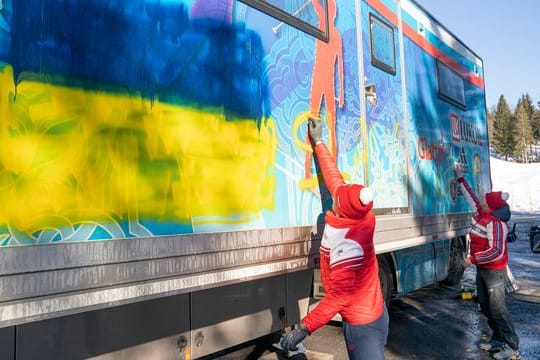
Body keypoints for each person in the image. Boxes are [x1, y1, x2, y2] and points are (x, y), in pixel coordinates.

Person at [279, 118, 388, 360]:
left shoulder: (350, 248)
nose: (334, 197)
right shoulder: (361, 214)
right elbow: (334, 179)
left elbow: (340, 296)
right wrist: (318, 142)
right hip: (370, 313)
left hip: (364, 325)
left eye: (337, 201)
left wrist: (304, 328)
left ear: (344, 209)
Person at [454, 165, 520, 360]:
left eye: (485, 200)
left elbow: (497, 251)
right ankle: (498, 340)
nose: (481, 200)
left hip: (494, 272)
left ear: (490, 206)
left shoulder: (496, 224)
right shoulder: (481, 213)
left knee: (498, 309)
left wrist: (472, 259)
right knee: (485, 305)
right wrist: (460, 177)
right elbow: (470, 196)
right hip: (483, 270)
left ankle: (511, 346)